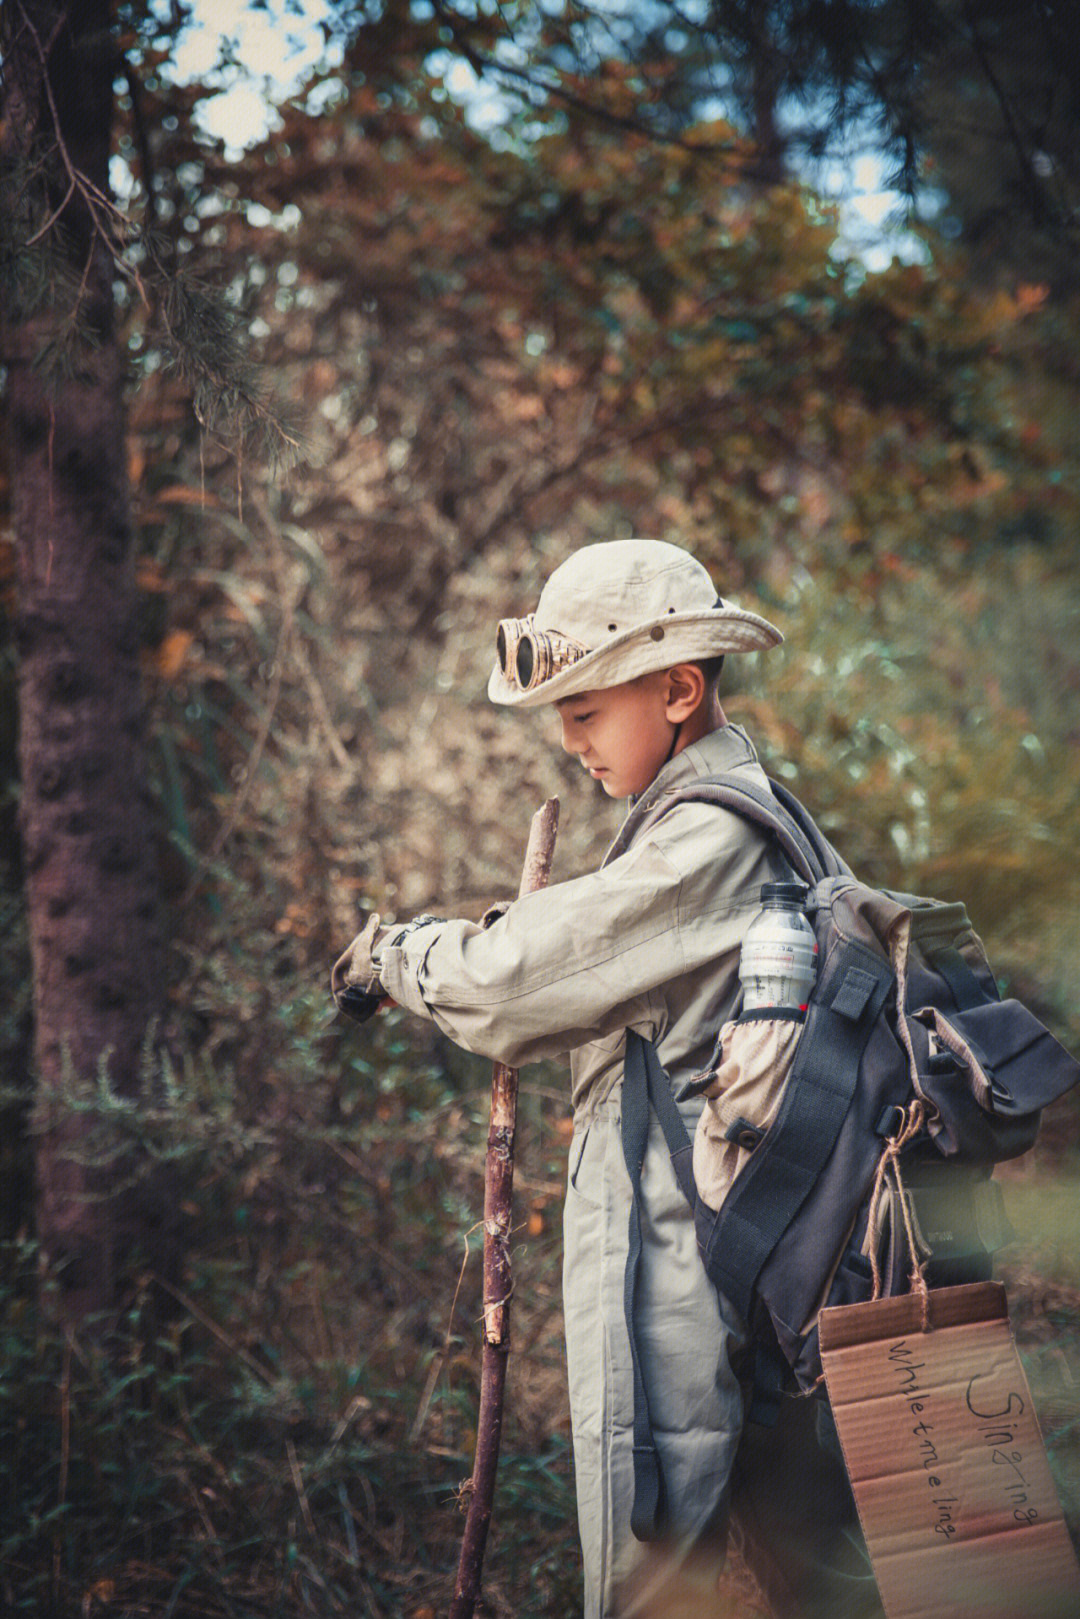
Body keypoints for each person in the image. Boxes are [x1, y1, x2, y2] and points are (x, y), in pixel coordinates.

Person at [332, 539, 883, 1618]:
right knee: (793, 1561)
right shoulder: (735, 811)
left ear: (679, 688)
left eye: (586, 707)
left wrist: (396, 955)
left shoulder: (707, 835)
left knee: (649, 1556)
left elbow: (512, 982)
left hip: (675, 1254)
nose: (570, 737)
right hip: (747, 1241)